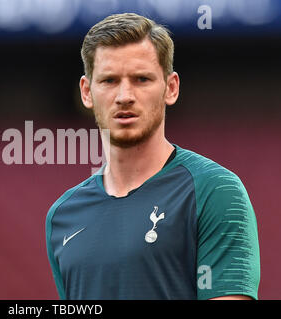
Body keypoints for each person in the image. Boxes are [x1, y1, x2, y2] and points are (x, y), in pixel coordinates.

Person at [45, 13, 260, 300]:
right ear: (86, 92)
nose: (124, 96)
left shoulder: (215, 191)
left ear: (171, 88)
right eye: (109, 80)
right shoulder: (62, 216)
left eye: (141, 79)